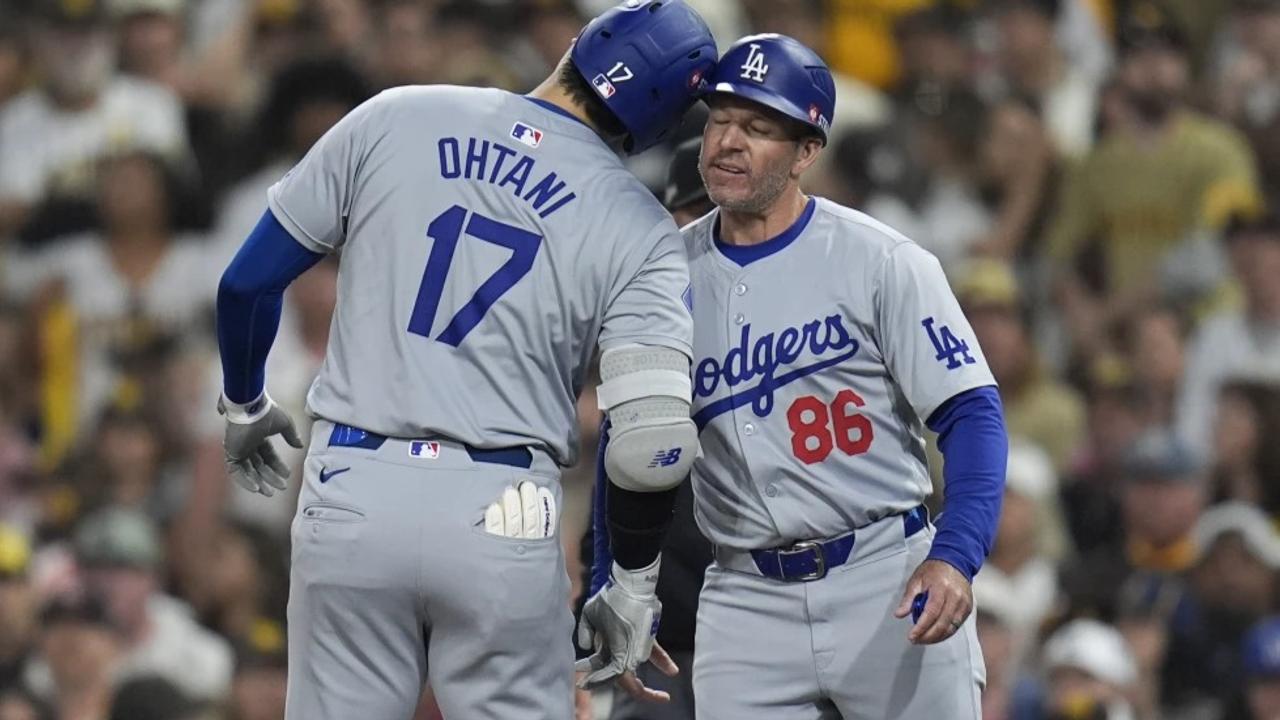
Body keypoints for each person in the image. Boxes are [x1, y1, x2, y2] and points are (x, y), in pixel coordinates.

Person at [213, 2, 717, 718]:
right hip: (504, 505)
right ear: (662, 123)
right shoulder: (639, 223)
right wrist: (629, 583)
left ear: (580, 45)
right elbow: (651, 442)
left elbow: (247, 283)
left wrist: (244, 401)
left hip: (354, 483)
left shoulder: (397, 114)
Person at [681, 33, 1006, 718]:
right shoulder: (660, 277)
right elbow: (629, 439)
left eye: (759, 127)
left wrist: (955, 555)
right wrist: (619, 577)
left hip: (885, 573)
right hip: (744, 595)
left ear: (807, 152)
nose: (729, 142)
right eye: (720, 120)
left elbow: (970, 413)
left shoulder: (880, 260)